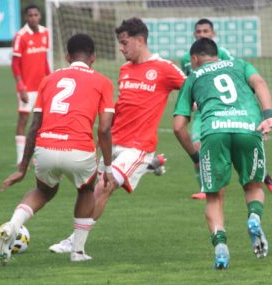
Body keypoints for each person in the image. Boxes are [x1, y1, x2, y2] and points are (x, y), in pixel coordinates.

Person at [48, 17, 186, 253]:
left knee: (103, 186)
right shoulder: (125, 70)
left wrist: (192, 106)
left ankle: (75, 241)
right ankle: (151, 165)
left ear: (140, 40)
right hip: (114, 141)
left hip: (139, 146)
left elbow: (190, 84)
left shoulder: (163, 68)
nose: (121, 48)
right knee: (91, 191)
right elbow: (123, 105)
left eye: (124, 43)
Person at [0, 34, 115, 265]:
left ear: (68, 56)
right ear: (94, 57)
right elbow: (105, 128)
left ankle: (12, 226)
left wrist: (22, 168)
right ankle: (77, 252)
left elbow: (34, 126)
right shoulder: (103, 81)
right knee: (86, 190)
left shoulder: (48, 79)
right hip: (79, 149)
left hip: (46, 145)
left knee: (44, 191)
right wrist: (107, 166)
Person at [173, 38, 272, 269]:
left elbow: (178, 127)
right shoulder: (239, 64)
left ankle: (220, 245)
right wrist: (268, 114)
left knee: (214, 196)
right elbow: (259, 82)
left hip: (213, 133)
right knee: (253, 186)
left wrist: (195, 157)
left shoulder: (193, 77)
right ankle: (254, 218)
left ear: (195, 59)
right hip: (248, 128)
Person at [180, 18, 272, 200]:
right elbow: (190, 81)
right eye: (199, 31)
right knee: (196, 146)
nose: (202, 34)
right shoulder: (186, 58)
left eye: (205, 31)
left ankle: (263, 175)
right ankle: (205, 186)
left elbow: (234, 79)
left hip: (227, 110)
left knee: (231, 146)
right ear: (194, 34)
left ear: (213, 34)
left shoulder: (223, 55)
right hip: (204, 111)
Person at [11, 4, 50, 165]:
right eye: (30, 15)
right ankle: (21, 158)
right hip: (27, 88)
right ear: (26, 18)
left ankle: (37, 156)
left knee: (41, 122)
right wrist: (21, 86)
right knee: (23, 120)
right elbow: (14, 63)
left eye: (36, 15)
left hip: (42, 87)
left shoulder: (45, 33)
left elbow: (44, 61)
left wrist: (50, 80)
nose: (33, 17)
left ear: (39, 16)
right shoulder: (21, 36)